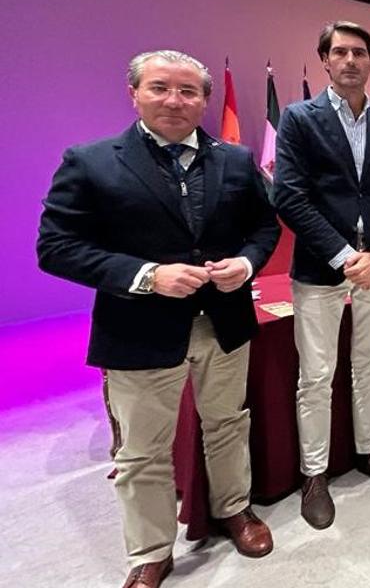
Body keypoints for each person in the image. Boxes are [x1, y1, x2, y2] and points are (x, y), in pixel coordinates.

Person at [37, 50, 280, 588]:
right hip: (139, 329)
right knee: (144, 449)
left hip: (224, 322)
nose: (174, 100)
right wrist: (148, 275)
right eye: (160, 87)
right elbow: (56, 247)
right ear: (135, 94)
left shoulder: (236, 160)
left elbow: (264, 229)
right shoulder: (91, 161)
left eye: (188, 91)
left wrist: (245, 264)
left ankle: (233, 509)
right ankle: (150, 552)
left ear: (205, 101)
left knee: (227, 423)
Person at [274, 21, 370, 531]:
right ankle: (314, 475)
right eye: (340, 52)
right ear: (325, 61)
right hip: (321, 265)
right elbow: (289, 196)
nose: (350, 60)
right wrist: (343, 256)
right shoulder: (298, 118)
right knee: (315, 375)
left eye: (359, 52)